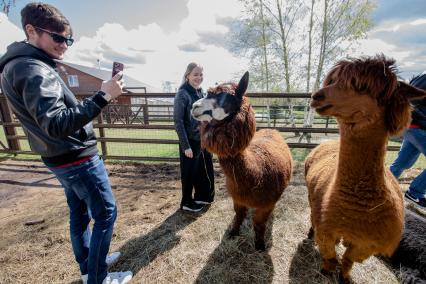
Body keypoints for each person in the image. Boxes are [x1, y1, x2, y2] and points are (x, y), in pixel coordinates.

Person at [0, 3, 132, 284]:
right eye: (58, 38)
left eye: (68, 39)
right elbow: (57, 123)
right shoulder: (33, 69)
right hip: (75, 156)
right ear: (31, 30)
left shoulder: (21, 65)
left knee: (80, 212)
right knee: (106, 213)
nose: (64, 45)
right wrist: (102, 97)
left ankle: (89, 265)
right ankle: (98, 278)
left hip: (58, 157)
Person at [173, 62, 215, 212]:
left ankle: (202, 197)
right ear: (187, 75)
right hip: (189, 141)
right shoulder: (182, 94)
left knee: (203, 170)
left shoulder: (201, 93)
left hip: (202, 139)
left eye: (201, 74)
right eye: (195, 74)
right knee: (189, 173)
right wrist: (186, 146)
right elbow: (178, 122)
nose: (199, 77)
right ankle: (187, 202)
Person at [390, 72, 426, 209]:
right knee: (402, 163)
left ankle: (382, 187)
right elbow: (410, 100)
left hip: (413, 126)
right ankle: (415, 192)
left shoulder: (420, 76)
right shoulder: (424, 78)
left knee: (402, 163)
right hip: (418, 126)